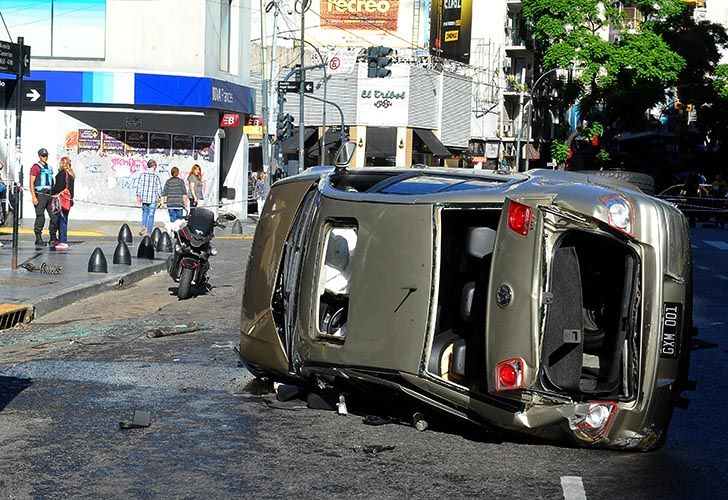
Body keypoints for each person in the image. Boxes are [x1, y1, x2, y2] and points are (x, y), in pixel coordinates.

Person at [30, 148, 59, 248]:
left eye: (46, 155)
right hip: (40, 194)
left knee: (54, 216)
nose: (45, 157)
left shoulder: (50, 167)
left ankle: (53, 237)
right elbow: (31, 183)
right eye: (43, 155)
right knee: (40, 217)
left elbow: (52, 181)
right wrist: (34, 196)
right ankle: (38, 238)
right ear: (39, 156)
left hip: (49, 194)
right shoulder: (35, 167)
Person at [51, 157, 75, 250]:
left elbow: (58, 187)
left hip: (62, 200)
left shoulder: (61, 174)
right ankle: (62, 240)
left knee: (62, 220)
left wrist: (52, 190)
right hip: (68, 200)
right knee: (64, 220)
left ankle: (63, 241)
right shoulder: (71, 175)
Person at [136, 159, 162, 237]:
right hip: (152, 198)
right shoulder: (156, 175)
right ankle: (149, 232)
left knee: (144, 212)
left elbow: (139, 185)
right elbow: (159, 187)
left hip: (144, 197)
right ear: (153, 166)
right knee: (151, 215)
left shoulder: (142, 174)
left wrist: (138, 195)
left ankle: (144, 225)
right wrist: (160, 196)